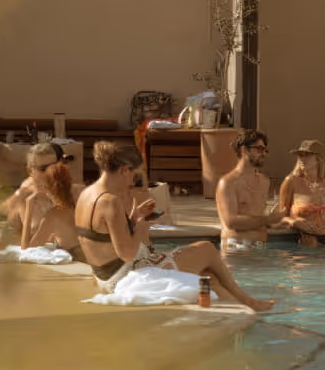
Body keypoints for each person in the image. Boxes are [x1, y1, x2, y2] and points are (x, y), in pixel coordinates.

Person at [75, 141, 275, 312]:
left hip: (105, 277)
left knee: (208, 278)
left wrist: (134, 219)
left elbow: (103, 238)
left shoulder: (87, 194)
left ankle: (244, 311)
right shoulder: (110, 201)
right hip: (124, 276)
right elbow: (127, 253)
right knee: (206, 249)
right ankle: (248, 301)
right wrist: (142, 225)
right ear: (124, 170)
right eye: (133, 175)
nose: (131, 182)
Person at [216, 130, 284, 251]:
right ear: (244, 150)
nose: (263, 154)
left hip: (261, 246)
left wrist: (278, 221)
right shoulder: (227, 182)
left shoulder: (264, 181)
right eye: (259, 149)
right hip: (236, 246)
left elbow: (256, 217)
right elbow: (231, 222)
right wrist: (268, 219)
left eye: (265, 150)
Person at [279, 140, 325, 247]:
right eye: (300, 155)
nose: (302, 159)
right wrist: (293, 222)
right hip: (307, 239)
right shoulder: (291, 182)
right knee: (311, 244)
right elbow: (280, 217)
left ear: (319, 159)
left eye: (307, 155)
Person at [0, 142, 62, 232]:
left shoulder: (69, 189)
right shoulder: (26, 194)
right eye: (43, 169)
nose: (51, 172)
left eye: (54, 167)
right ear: (30, 171)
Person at [20, 160, 82, 257]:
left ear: (46, 189)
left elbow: (26, 250)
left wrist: (28, 209)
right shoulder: (78, 201)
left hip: (77, 258)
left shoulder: (52, 216)